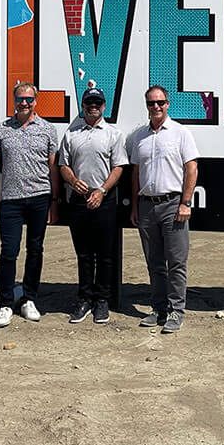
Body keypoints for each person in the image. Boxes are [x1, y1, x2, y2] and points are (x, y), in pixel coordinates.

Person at [0, 82, 61, 329]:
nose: (24, 103)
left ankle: (29, 299)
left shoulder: (48, 129)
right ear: (14, 101)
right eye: (20, 99)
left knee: (35, 249)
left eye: (28, 99)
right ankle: (6, 303)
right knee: (9, 251)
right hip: (10, 200)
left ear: (35, 101)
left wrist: (55, 201)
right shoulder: (3, 129)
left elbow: (53, 169)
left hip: (40, 197)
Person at [126, 85, 199, 334]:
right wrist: (135, 206)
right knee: (154, 262)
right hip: (146, 206)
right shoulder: (138, 137)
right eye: (151, 103)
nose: (156, 107)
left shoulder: (180, 133)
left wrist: (185, 203)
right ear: (146, 105)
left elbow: (191, 169)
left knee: (176, 262)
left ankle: (176, 311)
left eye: (160, 102)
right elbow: (136, 173)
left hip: (173, 205)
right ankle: (158, 309)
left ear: (168, 104)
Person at [57, 86, 127, 325]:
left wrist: (102, 190)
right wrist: (73, 180)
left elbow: (118, 167)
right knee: (84, 254)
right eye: (89, 103)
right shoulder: (71, 133)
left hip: (104, 200)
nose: (93, 106)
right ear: (83, 106)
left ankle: (102, 301)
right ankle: (85, 299)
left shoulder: (113, 134)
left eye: (97, 102)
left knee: (105, 255)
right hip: (78, 201)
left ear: (104, 106)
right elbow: (63, 164)